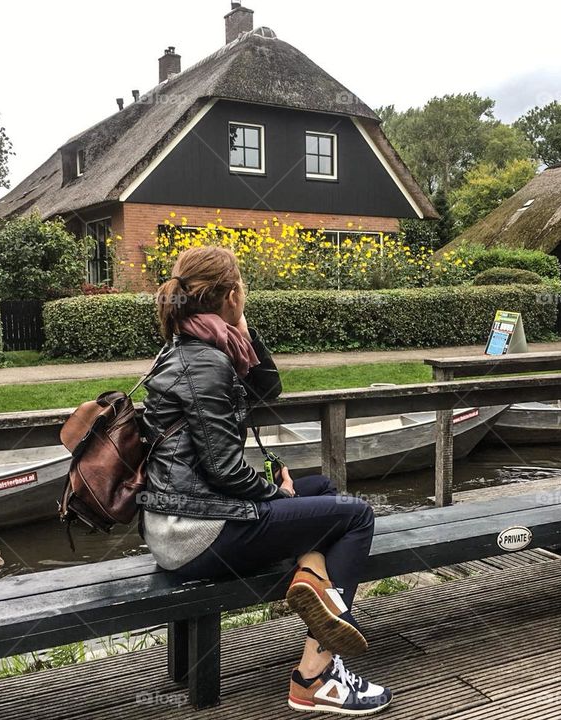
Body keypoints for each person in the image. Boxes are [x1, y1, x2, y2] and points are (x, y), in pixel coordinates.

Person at [139, 246, 392, 716]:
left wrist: (238, 326)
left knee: (324, 489)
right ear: (232, 294)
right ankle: (315, 675)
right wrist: (276, 492)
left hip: (181, 521)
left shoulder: (190, 349)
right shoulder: (206, 363)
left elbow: (266, 390)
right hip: (195, 534)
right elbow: (224, 470)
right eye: (242, 294)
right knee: (356, 516)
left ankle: (313, 577)